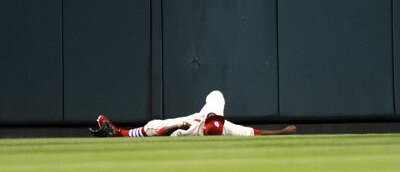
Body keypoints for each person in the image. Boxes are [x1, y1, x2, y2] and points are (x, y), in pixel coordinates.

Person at [89, 90, 297, 137]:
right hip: (200, 115)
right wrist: (283, 131)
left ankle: (120, 133)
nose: (213, 121)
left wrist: (176, 127)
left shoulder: (194, 131)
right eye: (214, 119)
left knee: (154, 125)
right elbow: (255, 132)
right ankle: (119, 132)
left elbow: (163, 132)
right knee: (216, 94)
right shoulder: (222, 124)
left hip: (184, 126)